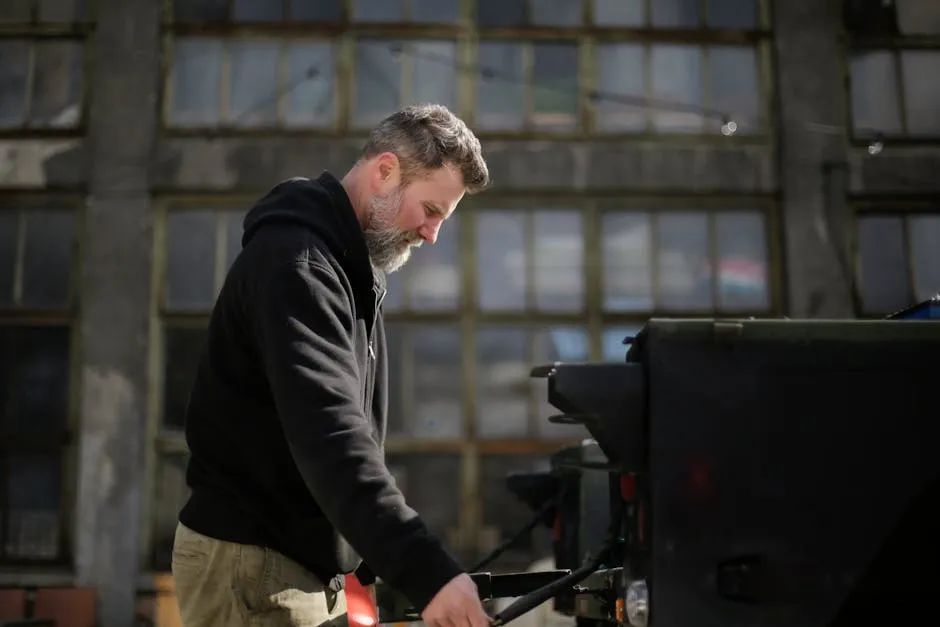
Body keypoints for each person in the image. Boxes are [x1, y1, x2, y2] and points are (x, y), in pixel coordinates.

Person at [171, 104, 490, 627]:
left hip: (299, 567)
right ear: (385, 171)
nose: (432, 233)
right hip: (254, 567)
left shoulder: (351, 270)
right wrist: (426, 572)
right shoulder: (298, 266)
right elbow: (331, 434)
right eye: (431, 210)